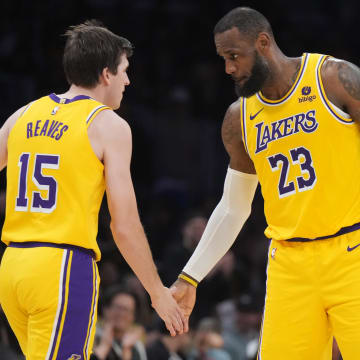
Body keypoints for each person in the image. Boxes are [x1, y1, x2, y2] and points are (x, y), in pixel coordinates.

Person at [171, 6, 360, 360]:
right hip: (290, 264)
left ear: (262, 42)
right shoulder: (239, 118)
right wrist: (189, 276)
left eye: (234, 56)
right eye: (223, 59)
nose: (228, 68)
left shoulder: (334, 78)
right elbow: (233, 207)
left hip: (352, 250)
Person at [0, 20, 184, 360]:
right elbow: (124, 226)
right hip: (62, 267)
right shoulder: (108, 125)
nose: (128, 80)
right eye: (124, 71)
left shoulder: (22, 115)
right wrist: (157, 292)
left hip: (12, 268)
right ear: (105, 74)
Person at [92, 286, 147, 360]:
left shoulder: (136, 347)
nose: (122, 314)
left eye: (127, 310)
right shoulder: (90, 337)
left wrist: (126, 350)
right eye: (118, 308)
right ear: (105, 309)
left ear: (133, 317)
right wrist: (104, 346)